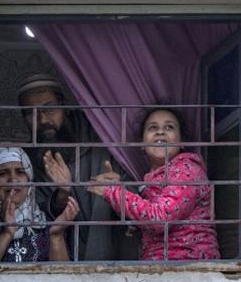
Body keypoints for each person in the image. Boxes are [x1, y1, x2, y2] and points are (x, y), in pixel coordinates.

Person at [17, 74, 137, 260]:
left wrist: (118, 191)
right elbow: (37, 218)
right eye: (31, 113)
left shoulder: (103, 135)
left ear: (64, 105)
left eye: (49, 108)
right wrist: (62, 192)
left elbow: (140, 196)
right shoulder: (29, 159)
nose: (42, 120)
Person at [87, 107, 220, 260]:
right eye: (152, 128)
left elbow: (160, 218)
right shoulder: (149, 182)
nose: (160, 132)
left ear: (182, 142)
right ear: (142, 144)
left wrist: (114, 192)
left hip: (190, 267)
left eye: (169, 127)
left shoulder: (187, 170)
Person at [0, 147, 79, 262]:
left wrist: (56, 236)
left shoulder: (45, 221)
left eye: (20, 172)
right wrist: (6, 233)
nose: (13, 180)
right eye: (2, 173)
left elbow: (65, 276)